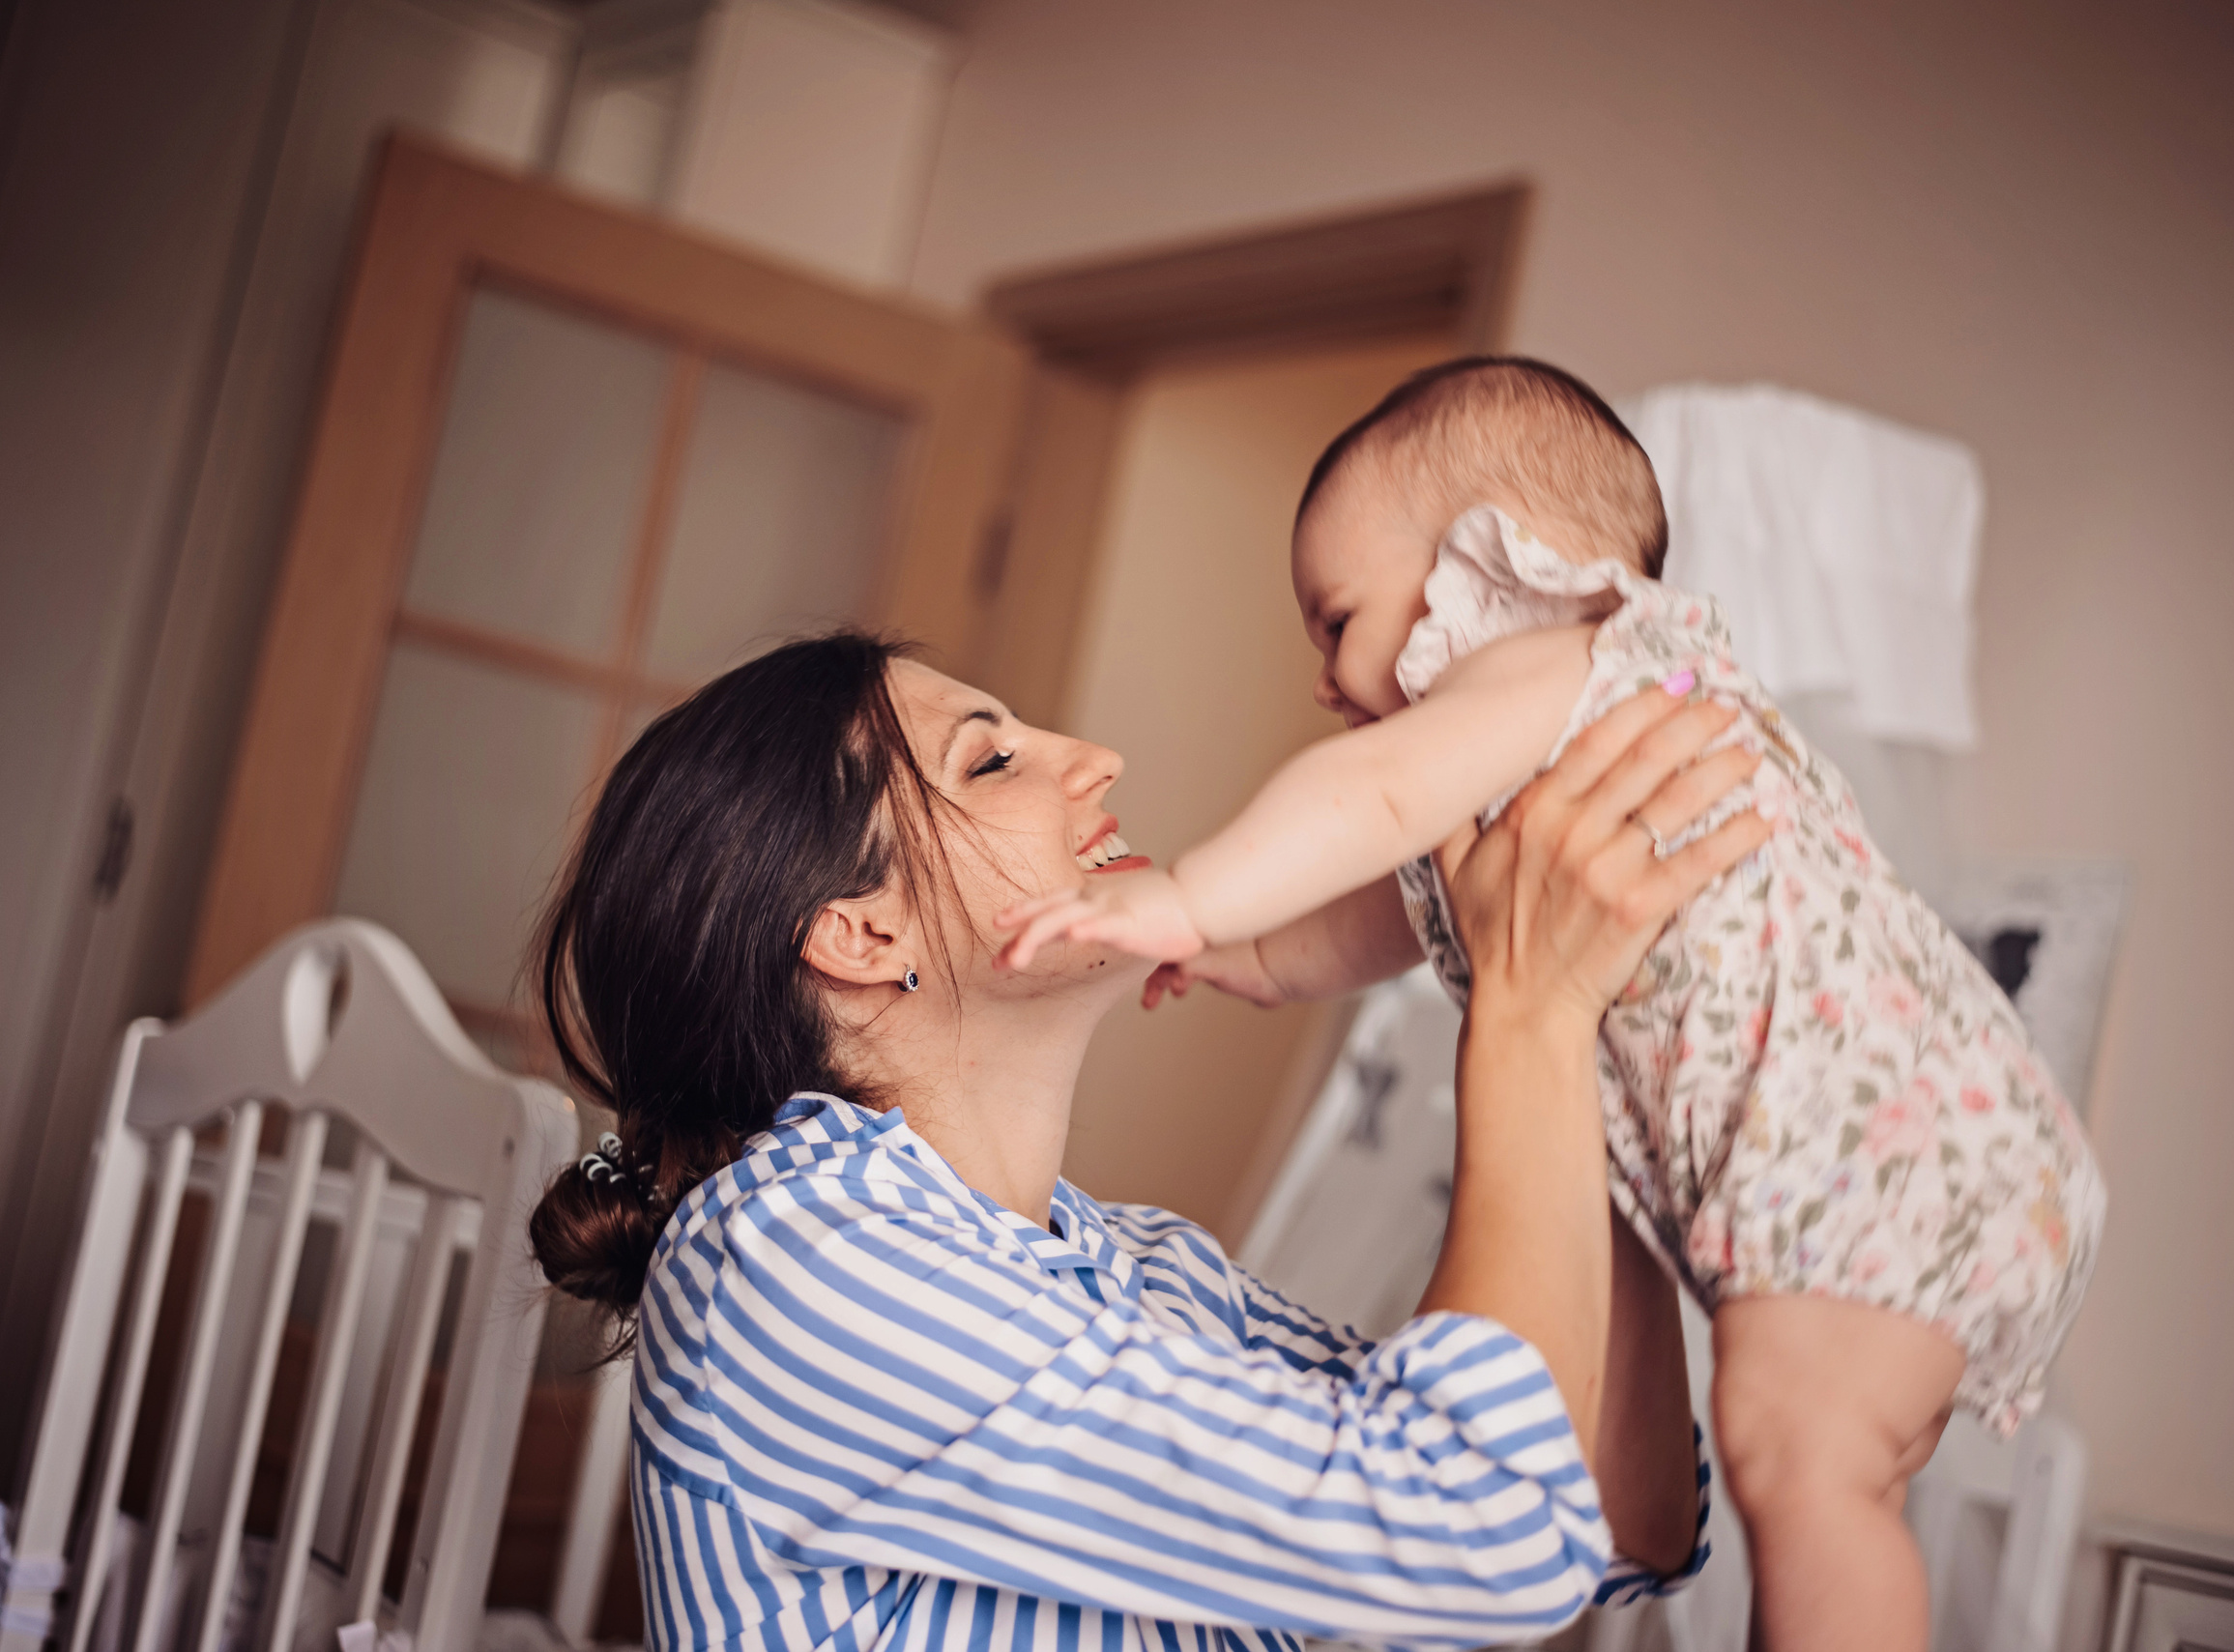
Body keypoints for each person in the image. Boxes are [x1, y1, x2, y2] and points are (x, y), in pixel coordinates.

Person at [995, 359, 2107, 1652]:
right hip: (1937, 1173)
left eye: (1334, 618)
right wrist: (1259, 955)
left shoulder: (1571, 665)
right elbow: (1390, 903)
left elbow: (1370, 799)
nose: (1322, 677)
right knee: (1823, 1480)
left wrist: (1189, 896)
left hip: (1887, 1163)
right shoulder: (1534, 753)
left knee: (1796, 1458)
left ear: (1485, 568)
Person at [527, 629, 1769, 1652]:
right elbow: (1469, 1533)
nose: (1094, 760)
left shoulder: (1153, 1273)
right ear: (861, 935)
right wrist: (1524, 1011)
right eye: (992, 758)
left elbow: (1620, 1513)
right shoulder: (784, 1256)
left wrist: (1590, 1034)